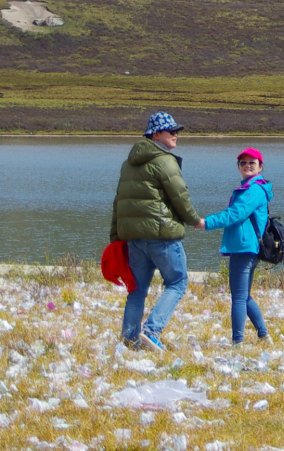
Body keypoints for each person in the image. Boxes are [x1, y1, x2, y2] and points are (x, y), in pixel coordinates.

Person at [112, 111, 207, 350]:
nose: (176, 135)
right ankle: (152, 331)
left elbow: (119, 201)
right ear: (156, 134)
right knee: (178, 282)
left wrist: (116, 236)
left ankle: (130, 340)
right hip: (162, 236)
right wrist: (195, 220)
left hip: (134, 239)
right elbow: (180, 196)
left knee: (136, 290)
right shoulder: (165, 161)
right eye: (171, 131)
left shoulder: (128, 163)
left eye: (177, 131)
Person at [200, 147, 273, 350]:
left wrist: (207, 223)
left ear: (260, 166)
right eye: (243, 163)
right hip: (247, 246)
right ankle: (264, 336)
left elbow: (235, 214)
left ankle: (237, 343)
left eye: (252, 162)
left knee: (239, 297)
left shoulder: (253, 190)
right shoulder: (251, 188)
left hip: (244, 248)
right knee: (244, 295)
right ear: (238, 167)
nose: (247, 166)